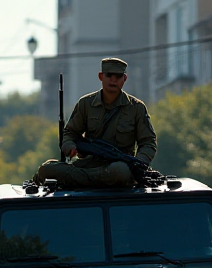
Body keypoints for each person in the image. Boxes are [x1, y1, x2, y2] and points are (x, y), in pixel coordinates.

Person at [32, 57, 157, 188]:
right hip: (89, 164)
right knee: (46, 169)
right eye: (109, 75)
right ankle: (92, 180)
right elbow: (70, 132)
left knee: (121, 172)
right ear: (101, 76)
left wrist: (139, 164)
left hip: (118, 166)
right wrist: (70, 147)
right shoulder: (85, 104)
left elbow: (148, 141)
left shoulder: (136, 108)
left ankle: (77, 180)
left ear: (124, 79)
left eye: (118, 76)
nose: (113, 80)